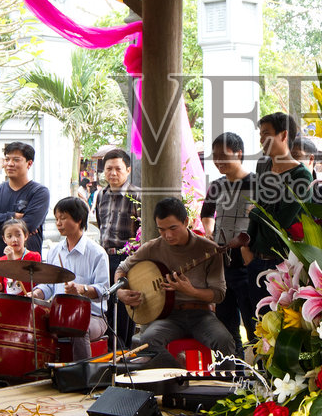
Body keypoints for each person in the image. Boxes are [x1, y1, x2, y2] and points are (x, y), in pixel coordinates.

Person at [115, 198, 234, 368]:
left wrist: (191, 291)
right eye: (161, 230)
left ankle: (223, 384)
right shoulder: (153, 247)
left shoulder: (209, 249)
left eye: (173, 228)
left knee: (225, 341)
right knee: (147, 341)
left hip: (201, 315)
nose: (168, 235)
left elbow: (219, 294)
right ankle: (179, 377)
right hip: (168, 317)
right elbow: (122, 268)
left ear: (186, 222)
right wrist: (121, 291)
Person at [245, 112, 318, 297]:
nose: (261, 140)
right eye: (260, 134)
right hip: (256, 258)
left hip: (284, 263)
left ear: (284, 135)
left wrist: (254, 213)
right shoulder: (263, 165)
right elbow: (258, 203)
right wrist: (246, 246)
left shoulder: (301, 176)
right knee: (254, 314)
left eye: (266, 134)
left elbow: (281, 221)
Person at [32, 196, 110, 360]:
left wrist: (82, 289)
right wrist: (37, 293)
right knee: (33, 321)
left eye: (63, 218)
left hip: (93, 317)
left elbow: (104, 290)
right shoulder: (55, 251)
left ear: (78, 219)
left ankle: (83, 371)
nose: (58, 223)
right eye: (56, 219)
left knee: (77, 327)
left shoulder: (97, 253)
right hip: (59, 314)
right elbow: (48, 285)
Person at [200, 132, 256, 350]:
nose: (218, 161)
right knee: (226, 325)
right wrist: (210, 233)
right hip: (222, 265)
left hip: (247, 265)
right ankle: (233, 368)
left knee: (254, 325)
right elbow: (207, 213)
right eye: (215, 156)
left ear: (239, 153)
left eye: (223, 155)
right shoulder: (216, 185)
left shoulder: (256, 183)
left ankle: (260, 368)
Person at [0, 140, 50, 289]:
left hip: (28, 268)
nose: (9, 164)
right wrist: (13, 216)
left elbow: (29, 224)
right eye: (7, 159)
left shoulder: (39, 192)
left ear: (29, 163)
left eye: (16, 160)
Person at [93, 149, 140, 346]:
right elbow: (100, 224)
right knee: (106, 305)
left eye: (118, 169)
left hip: (127, 259)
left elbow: (142, 231)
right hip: (105, 258)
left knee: (123, 309)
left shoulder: (136, 195)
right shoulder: (101, 195)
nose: (112, 173)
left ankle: (122, 351)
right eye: (108, 169)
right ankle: (108, 350)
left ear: (128, 170)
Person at [0, 218, 40, 296]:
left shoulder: (34, 257)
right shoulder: (2, 260)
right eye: (9, 236)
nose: (14, 240)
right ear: (4, 239)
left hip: (27, 300)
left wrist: (12, 261)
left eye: (18, 235)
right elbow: (2, 283)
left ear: (25, 236)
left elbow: (37, 281)